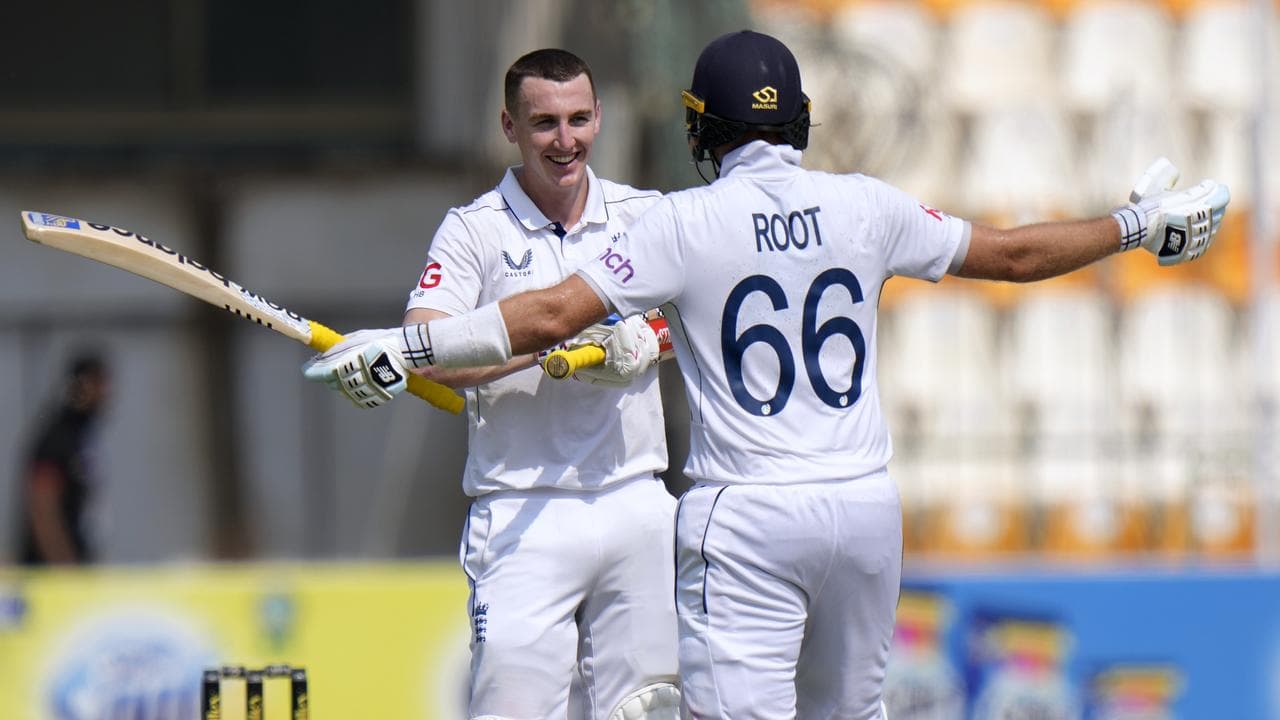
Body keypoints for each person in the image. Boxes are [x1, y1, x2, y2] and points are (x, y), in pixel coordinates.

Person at [305, 31, 1230, 719]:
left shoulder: (680, 221)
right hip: (865, 508)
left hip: (747, 514)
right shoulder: (864, 203)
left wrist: (409, 348)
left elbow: (550, 315)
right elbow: (1019, 256)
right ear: (801, 122)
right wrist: (1138, 224)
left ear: (701, 128)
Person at [308, 49, 680, 719]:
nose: (564, 142)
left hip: (636, 498)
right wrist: (553, 340)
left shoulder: (643, 213)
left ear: (598, 118)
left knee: (650, 709)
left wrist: (649, 339)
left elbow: (697, 317)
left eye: (576, 120)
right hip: (522, 510)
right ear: (510, 126)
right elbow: (430, 349)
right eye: (543, 124)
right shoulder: (472, 229)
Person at [17, 352, 111, 566]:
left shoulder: (84, 437)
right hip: (52, 578)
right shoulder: (58, 436)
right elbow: (42, 507)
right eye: (99, 384)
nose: (106, 393)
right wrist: (64, 566)